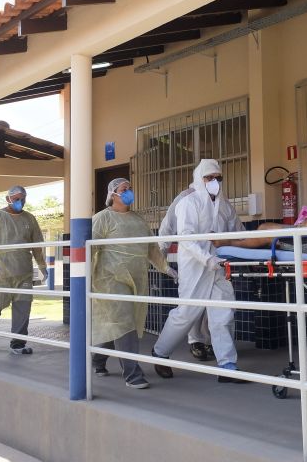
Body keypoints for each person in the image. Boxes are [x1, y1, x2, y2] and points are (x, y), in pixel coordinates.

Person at [151, 159, 249, 383]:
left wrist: (245, 250)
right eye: (209, 177)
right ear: (199, 179)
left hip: (219, 267)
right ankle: (160, 353)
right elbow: (186, 238)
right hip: (195, 266)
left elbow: (238, 233)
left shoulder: (225, 206)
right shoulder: (189, 202)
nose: (214, 182)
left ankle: (227, 366)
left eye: (218, 178)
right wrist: (207, 258)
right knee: (186, 313)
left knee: (223, 313)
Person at [91, 178, 177, 389]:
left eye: (130, 188)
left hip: (137, 279)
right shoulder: (102, 218)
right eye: (124, 189)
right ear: (113, 194)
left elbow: (151, 250)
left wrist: (166, 268)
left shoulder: (139, 220)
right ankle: (132, 374)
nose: (129, 192)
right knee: (125, 322)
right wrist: (83, 277)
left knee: (121, 324)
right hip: (110, 279)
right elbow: (89, 248)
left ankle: (97, 358)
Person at [0, 185, 47, 355]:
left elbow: (37, 244)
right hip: (0, 271)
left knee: (23, 308)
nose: (20, 201)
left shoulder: (29, 219)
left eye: (23, 198)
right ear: (8, 199)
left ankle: (18, 343)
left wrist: (42, 266)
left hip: (23, 271)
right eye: (16, 198)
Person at [159, 185, 215, 362]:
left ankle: (208, 341)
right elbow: (168, 225)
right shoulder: (184, 198)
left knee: (211, 305)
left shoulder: (217, 198)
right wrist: (162, 255)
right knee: (191, 303)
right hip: (191, 260)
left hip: (212, 258)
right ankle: (195, 341)